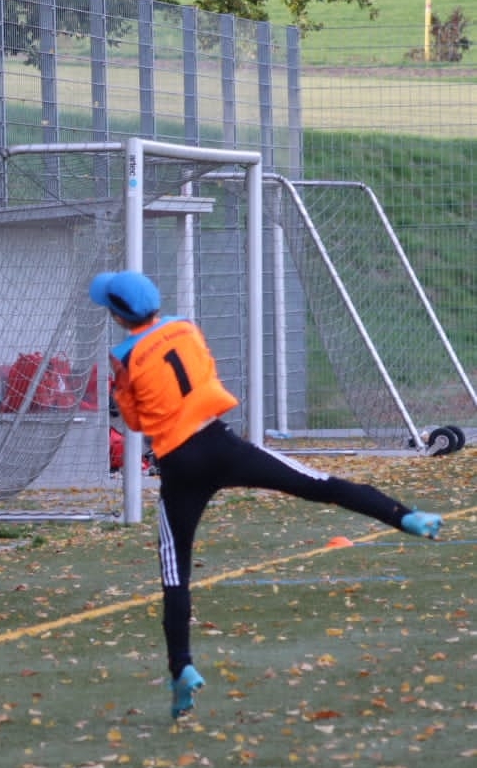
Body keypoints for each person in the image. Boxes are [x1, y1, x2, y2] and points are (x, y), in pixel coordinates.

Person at [89, 270, 443, 720]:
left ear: (119, 316)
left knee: (175, 573)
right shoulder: (185, 328)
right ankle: (405, 517)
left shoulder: (123, 355)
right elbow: (204, 376)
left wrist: (122, 385)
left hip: (178, 463)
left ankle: (182, 668)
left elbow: (136, 422)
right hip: (220, 442)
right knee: (320, 485)